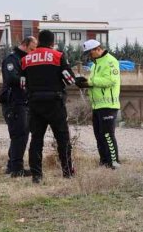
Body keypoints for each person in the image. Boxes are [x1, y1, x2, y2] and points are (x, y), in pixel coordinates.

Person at [20, 29, 77, 184]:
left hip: (35, 104)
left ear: (38, 41)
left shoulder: (27, 59)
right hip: (55, 104)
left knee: (36, 140)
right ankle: (67, 172)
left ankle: (37, 175)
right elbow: (70, 80)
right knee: (62, 139)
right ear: (52, 42)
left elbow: (22, 83)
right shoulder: (58, 56)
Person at [75, 39, 121, 169]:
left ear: (97, 49)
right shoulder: (95, 65)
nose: (89, 56)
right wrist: (84, 83)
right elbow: (95, 83)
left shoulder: (111, 61)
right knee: (99, 136)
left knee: (108, 135)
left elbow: (110, 80)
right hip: (97, 105)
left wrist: (89, 82)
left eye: (90, 53)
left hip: (108, 105)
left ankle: (114, 162)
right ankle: (104, 162)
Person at [0, 36, 37, 177]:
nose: (33, 52)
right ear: (25, 45)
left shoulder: (26, 60)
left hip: (23, 102)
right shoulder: (12, 59)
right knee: (19, 135)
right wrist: (29, 80)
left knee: (22, 135)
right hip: (13, 102)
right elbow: (11, 78)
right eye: (32, 49)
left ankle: (13, 166)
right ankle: (16, 169)